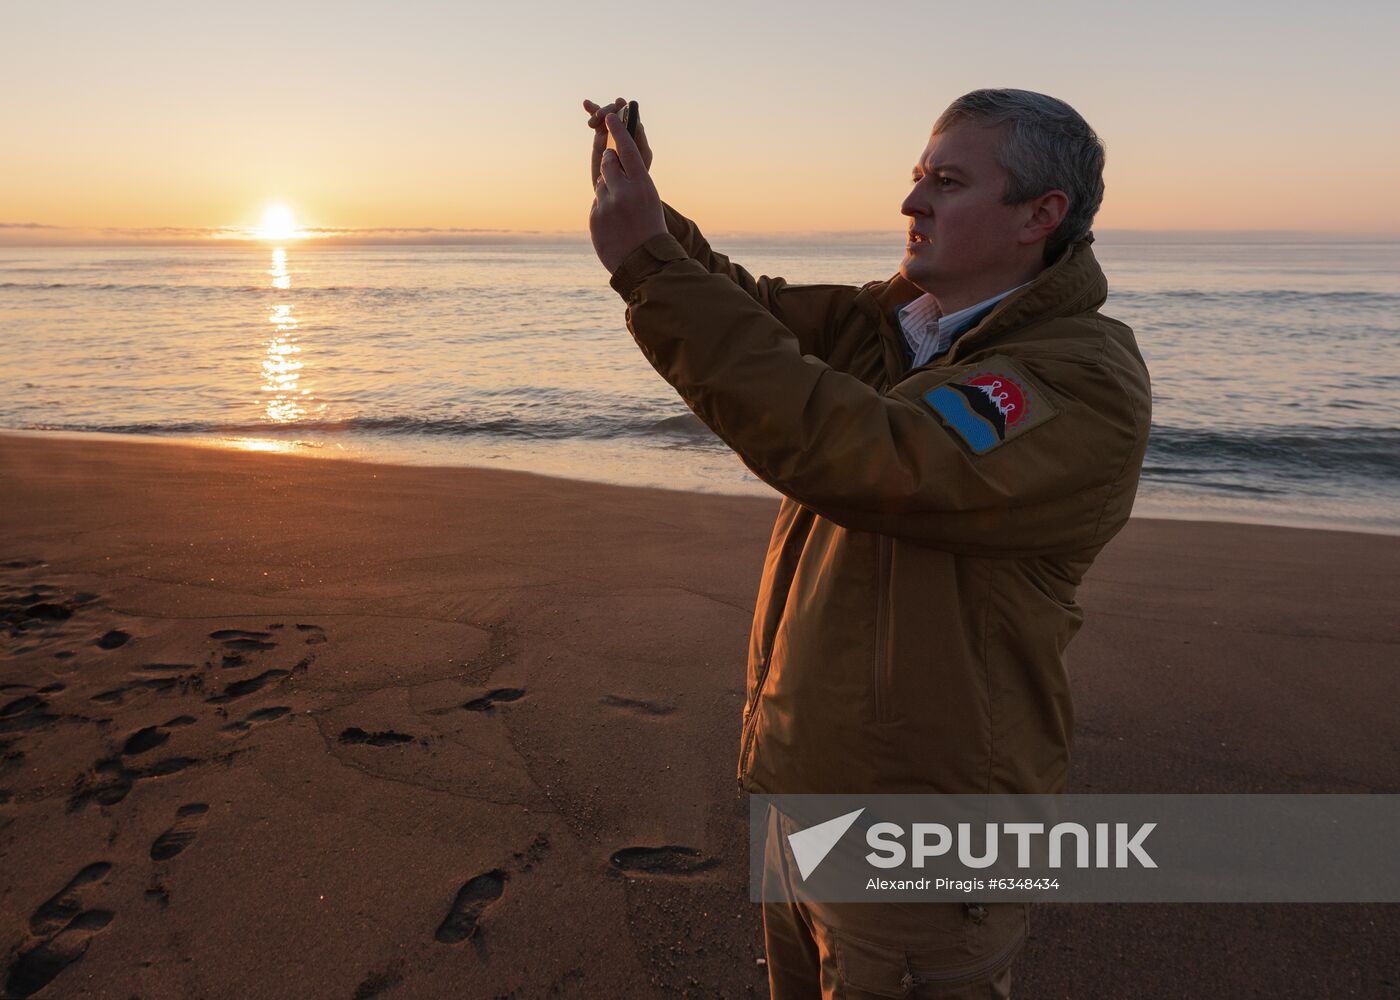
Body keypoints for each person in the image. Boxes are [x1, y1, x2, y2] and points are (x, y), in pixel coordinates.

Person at [583, 90, 1151, 999]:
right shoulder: (910, 328)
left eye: (949, 182)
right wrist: (650, 214)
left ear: (1041, 216)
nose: (912, 202)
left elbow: (869, 455)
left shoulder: (1077, 377)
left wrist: (649, 265)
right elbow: (757, 314)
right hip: (808, 798)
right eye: (919, 176)